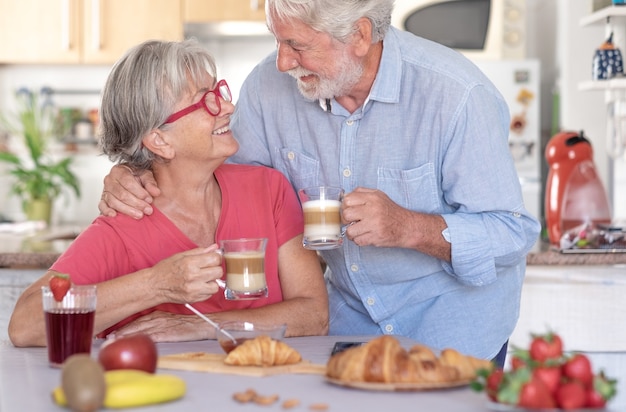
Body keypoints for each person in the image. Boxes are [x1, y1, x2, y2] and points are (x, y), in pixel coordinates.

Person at [97, 0, 541, 366]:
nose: (282, 61)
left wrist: (411, 228)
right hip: (347, 332)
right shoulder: (270, 88)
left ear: (360, 37)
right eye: (278, 40)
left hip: (453, 333)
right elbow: (215, 178)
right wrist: (135, 168)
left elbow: (511, 231)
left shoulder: (457, 95)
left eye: (297, 45)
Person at [7, 39, 328, 347]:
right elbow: (25, 325)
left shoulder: (268, 189)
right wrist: (157, 284)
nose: (229, 107)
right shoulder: (125, 224)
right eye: (207, 100)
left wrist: (203, 326)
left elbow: (314, 315)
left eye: (220, 91)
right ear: (159, 140)